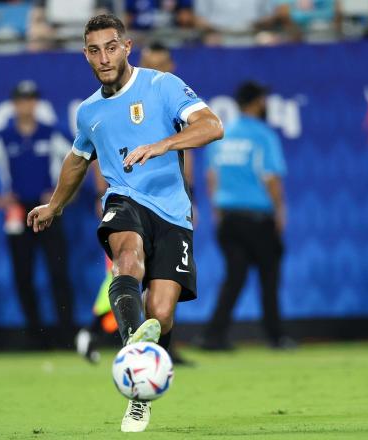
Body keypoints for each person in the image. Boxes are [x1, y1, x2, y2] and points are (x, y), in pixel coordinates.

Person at [27, 14, 223, 432]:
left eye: (111, 47)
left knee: (163, 312)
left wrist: (163, 144)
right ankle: (135, 359)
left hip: (172, 212)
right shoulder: (89, 112)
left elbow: (212, 125)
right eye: (94, 50)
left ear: (127, 46)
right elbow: (78, 160)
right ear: (85, 55)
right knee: (127, 257)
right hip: (124, 199)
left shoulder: (162, 85)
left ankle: (142, 380)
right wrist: (55, 206)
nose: (104, 57)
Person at [75, 41, 195, 366]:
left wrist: (187, 195)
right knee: (125, 267)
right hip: (125, 202)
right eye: (152, 62)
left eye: (162, 62)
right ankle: (103, 335)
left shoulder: (169, 95)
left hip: (168, 207)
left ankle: (146, 341)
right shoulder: (107, 103)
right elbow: (96, 154)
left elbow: (188, 150)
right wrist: (106, 193)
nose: (157, 68)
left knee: (156, 296)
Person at [0, 80, 76, 348]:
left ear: (36, 103)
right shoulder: (5, 137)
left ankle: (67, 333)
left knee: (58, 271)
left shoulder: (51, 133)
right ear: (14, 104)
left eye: (30, 100)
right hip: (18, 210)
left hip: (47, 209)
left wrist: (62, 196)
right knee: (23, 274)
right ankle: (36, 335)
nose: (26, 105)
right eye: (21, 100)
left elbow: (80, 161)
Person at [198, 81, 295, 351]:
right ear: (257, 103)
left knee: (234, 278)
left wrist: (218, 212)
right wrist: (280, 211)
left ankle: (213, 335)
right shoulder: (263, 136)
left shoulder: (222, 133)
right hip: (258, 218)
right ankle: (275, 336)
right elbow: (271, 177)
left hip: (229, 219)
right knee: (269, 278)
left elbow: (211, 176)